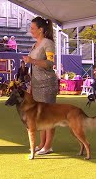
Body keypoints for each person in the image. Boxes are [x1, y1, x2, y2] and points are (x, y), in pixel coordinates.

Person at [22, 16, 58, 155]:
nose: (30, 30)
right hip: (36, 85)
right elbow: (33, 65)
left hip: (47, 84)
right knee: (41, 117)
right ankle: (42, 144)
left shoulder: (48, 43)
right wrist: (31, 84)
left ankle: (48, 146)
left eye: (32, 28)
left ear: (41, 29)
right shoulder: (35, 45)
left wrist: (32, 60)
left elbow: (50, 64)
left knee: (49, 116)